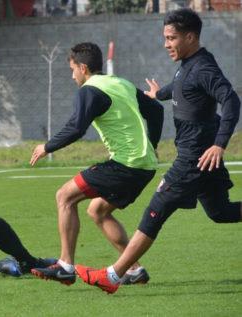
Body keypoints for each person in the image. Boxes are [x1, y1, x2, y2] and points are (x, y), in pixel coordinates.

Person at [77, 8, 241, 294]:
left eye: (171, 38)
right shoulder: (189, 63)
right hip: (201, 157)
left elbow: (231, 101)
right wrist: (159, 95)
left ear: (190, 37)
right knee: (220, 212)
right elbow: (180, 86)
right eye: (165, 37)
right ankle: (120, 273)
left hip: (195, 157)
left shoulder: (203, 68)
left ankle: (114, 275)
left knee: (157, 208)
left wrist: (220, 143)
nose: (166, 44)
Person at [29, 42, 164, 285]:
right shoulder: (121, 83)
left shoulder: (89, 90)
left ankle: (65, 266)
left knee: (64, 197)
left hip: (125, 165)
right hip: (145, 166)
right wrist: (152, 144)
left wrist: (46, 146)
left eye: (73, 70)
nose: (72, 76)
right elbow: (156, 110)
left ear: (83, 67)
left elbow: (76, 128)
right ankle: (134, 269)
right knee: (98, 211)